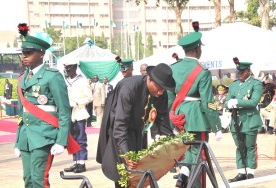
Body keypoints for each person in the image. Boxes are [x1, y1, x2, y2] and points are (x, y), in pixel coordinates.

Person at [96, 63, 175, 188]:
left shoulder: (161, 92)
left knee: (140, 175)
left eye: (164, 89)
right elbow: (120, 125)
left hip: (139, 133)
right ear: (149, 79)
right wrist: (127, 154)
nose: (161, 92)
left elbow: (163, 122)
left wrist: (174, 147)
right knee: (124, 176)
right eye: (159, 87)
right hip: (120, 135)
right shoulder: (129, 88)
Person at [15, 24, 71, 187]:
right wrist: (18, 141)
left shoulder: (52, 77)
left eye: (28, 53)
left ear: (41, 53)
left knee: (40, 180)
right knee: (28, 179)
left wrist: (61, 140)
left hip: (44, 136)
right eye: (23, 53)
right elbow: (22, 113)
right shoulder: (22, 78)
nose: (24, 57)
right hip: (26, 137)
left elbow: (64, 111)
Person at [168, 32, 222, 188]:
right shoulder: (202, 71)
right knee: (200, 156)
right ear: (198, 49)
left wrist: (173, 120)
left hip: (180, 117)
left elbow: (170, 98)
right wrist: (216, 126)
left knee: (186, 151)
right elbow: (207, 103)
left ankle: (183, 175)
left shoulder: (174, 68)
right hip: (196, 119)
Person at [225, 58, 263, 182]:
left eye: (241, 72)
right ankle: (241, 171)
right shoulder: (234, 84)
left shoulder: (255, 84)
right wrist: (229, 104)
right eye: (238, 72)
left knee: (250, 146)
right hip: (236, 120)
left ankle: (250, 171)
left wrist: (237, 102)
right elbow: (226, 101)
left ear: (248, 71)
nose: (239, 74)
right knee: (239, 146)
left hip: (250, 119)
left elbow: (253, 101)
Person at [63, 61, 93, 173]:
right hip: (68, 113)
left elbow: (89, 97)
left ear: (75, 68)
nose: (68, 71)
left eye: (69, 69)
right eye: (66, 69)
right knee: (73, 139)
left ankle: (81, 163)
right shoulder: (66, 81)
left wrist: (76, 102)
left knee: (81, 138)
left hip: (78, 111)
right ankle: (76, 161)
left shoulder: (82, 81)